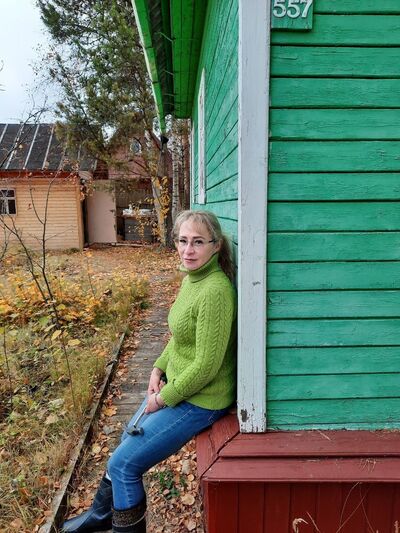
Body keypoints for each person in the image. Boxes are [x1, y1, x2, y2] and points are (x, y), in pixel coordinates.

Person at [62, 210, 237, 533]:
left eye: (198, 242)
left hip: (202, 399)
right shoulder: (192, 279)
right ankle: (101, 516)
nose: (188, 250)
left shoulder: (215, 291)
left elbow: (206, 366)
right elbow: (180, 338)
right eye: (183, 241)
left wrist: (164, 397)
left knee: (124, 465)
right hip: (179, 384)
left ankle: (111, 521)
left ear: (216, 245)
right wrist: (158, 367)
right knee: (125, 442)